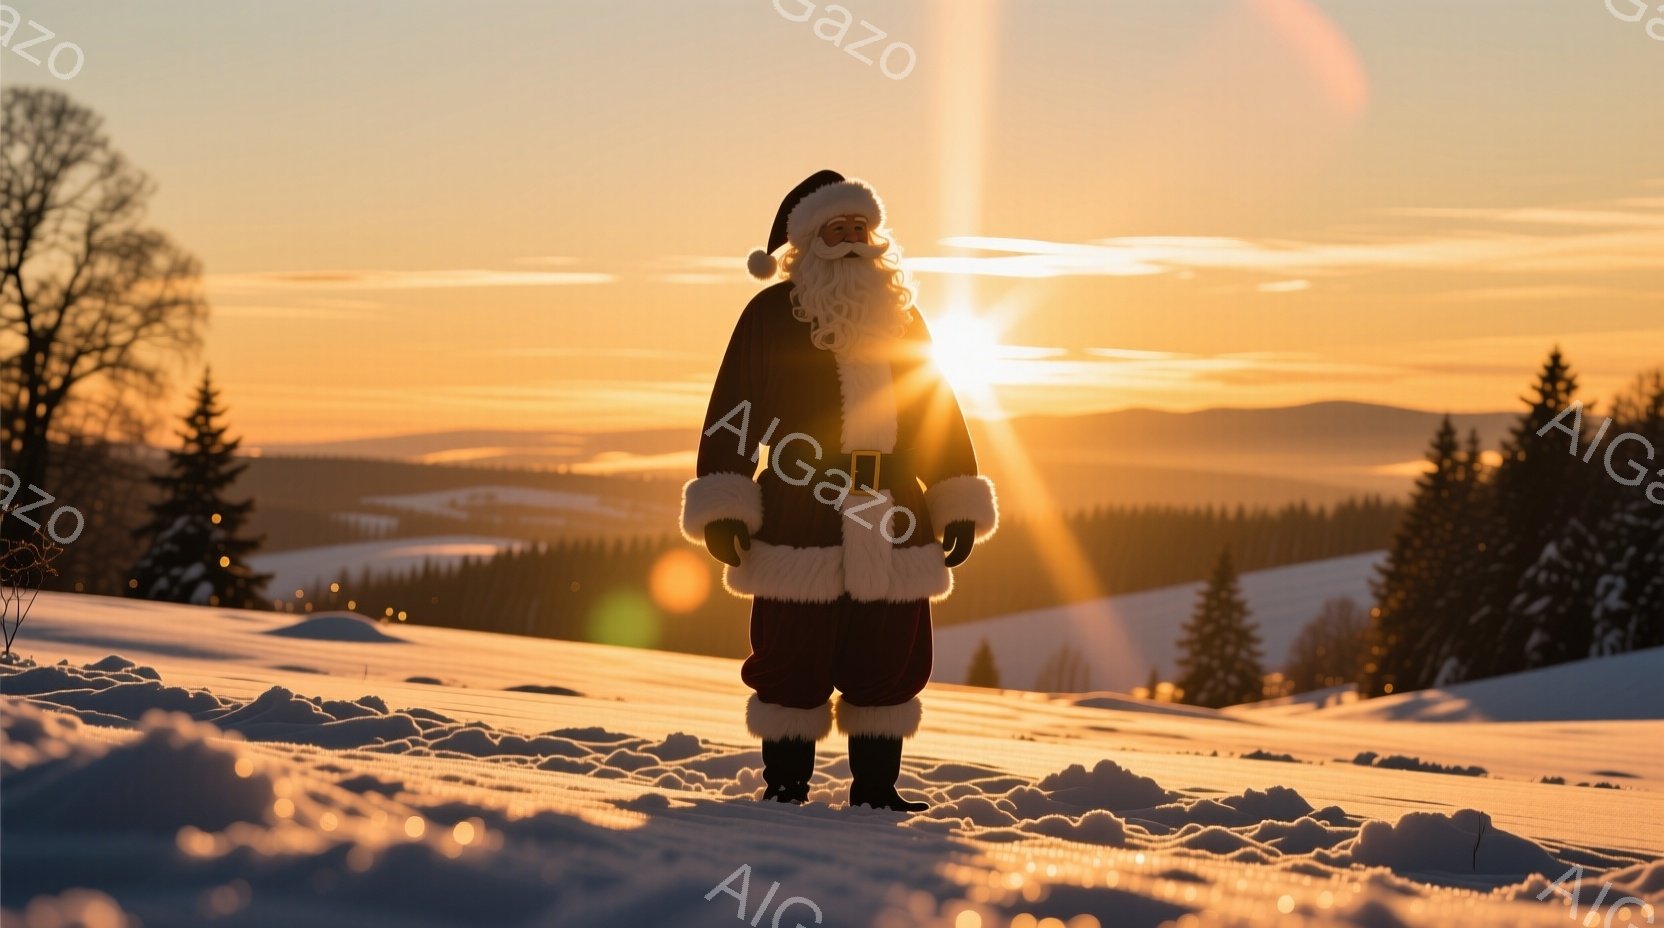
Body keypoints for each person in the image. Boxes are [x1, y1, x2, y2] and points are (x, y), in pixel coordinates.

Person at [680, 170, 998, 812]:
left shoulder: (902, 317)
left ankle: (878, 792)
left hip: (893, 513)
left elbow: (936, 406)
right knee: (791, 655)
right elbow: (732, 410)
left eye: (861, 229)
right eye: (838, 230)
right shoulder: (769, 315)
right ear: (807, 242)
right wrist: (725, 501)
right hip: (800, 510)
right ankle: (785, 788)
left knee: (887, 657)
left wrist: (953, 496)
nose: (853, 241)